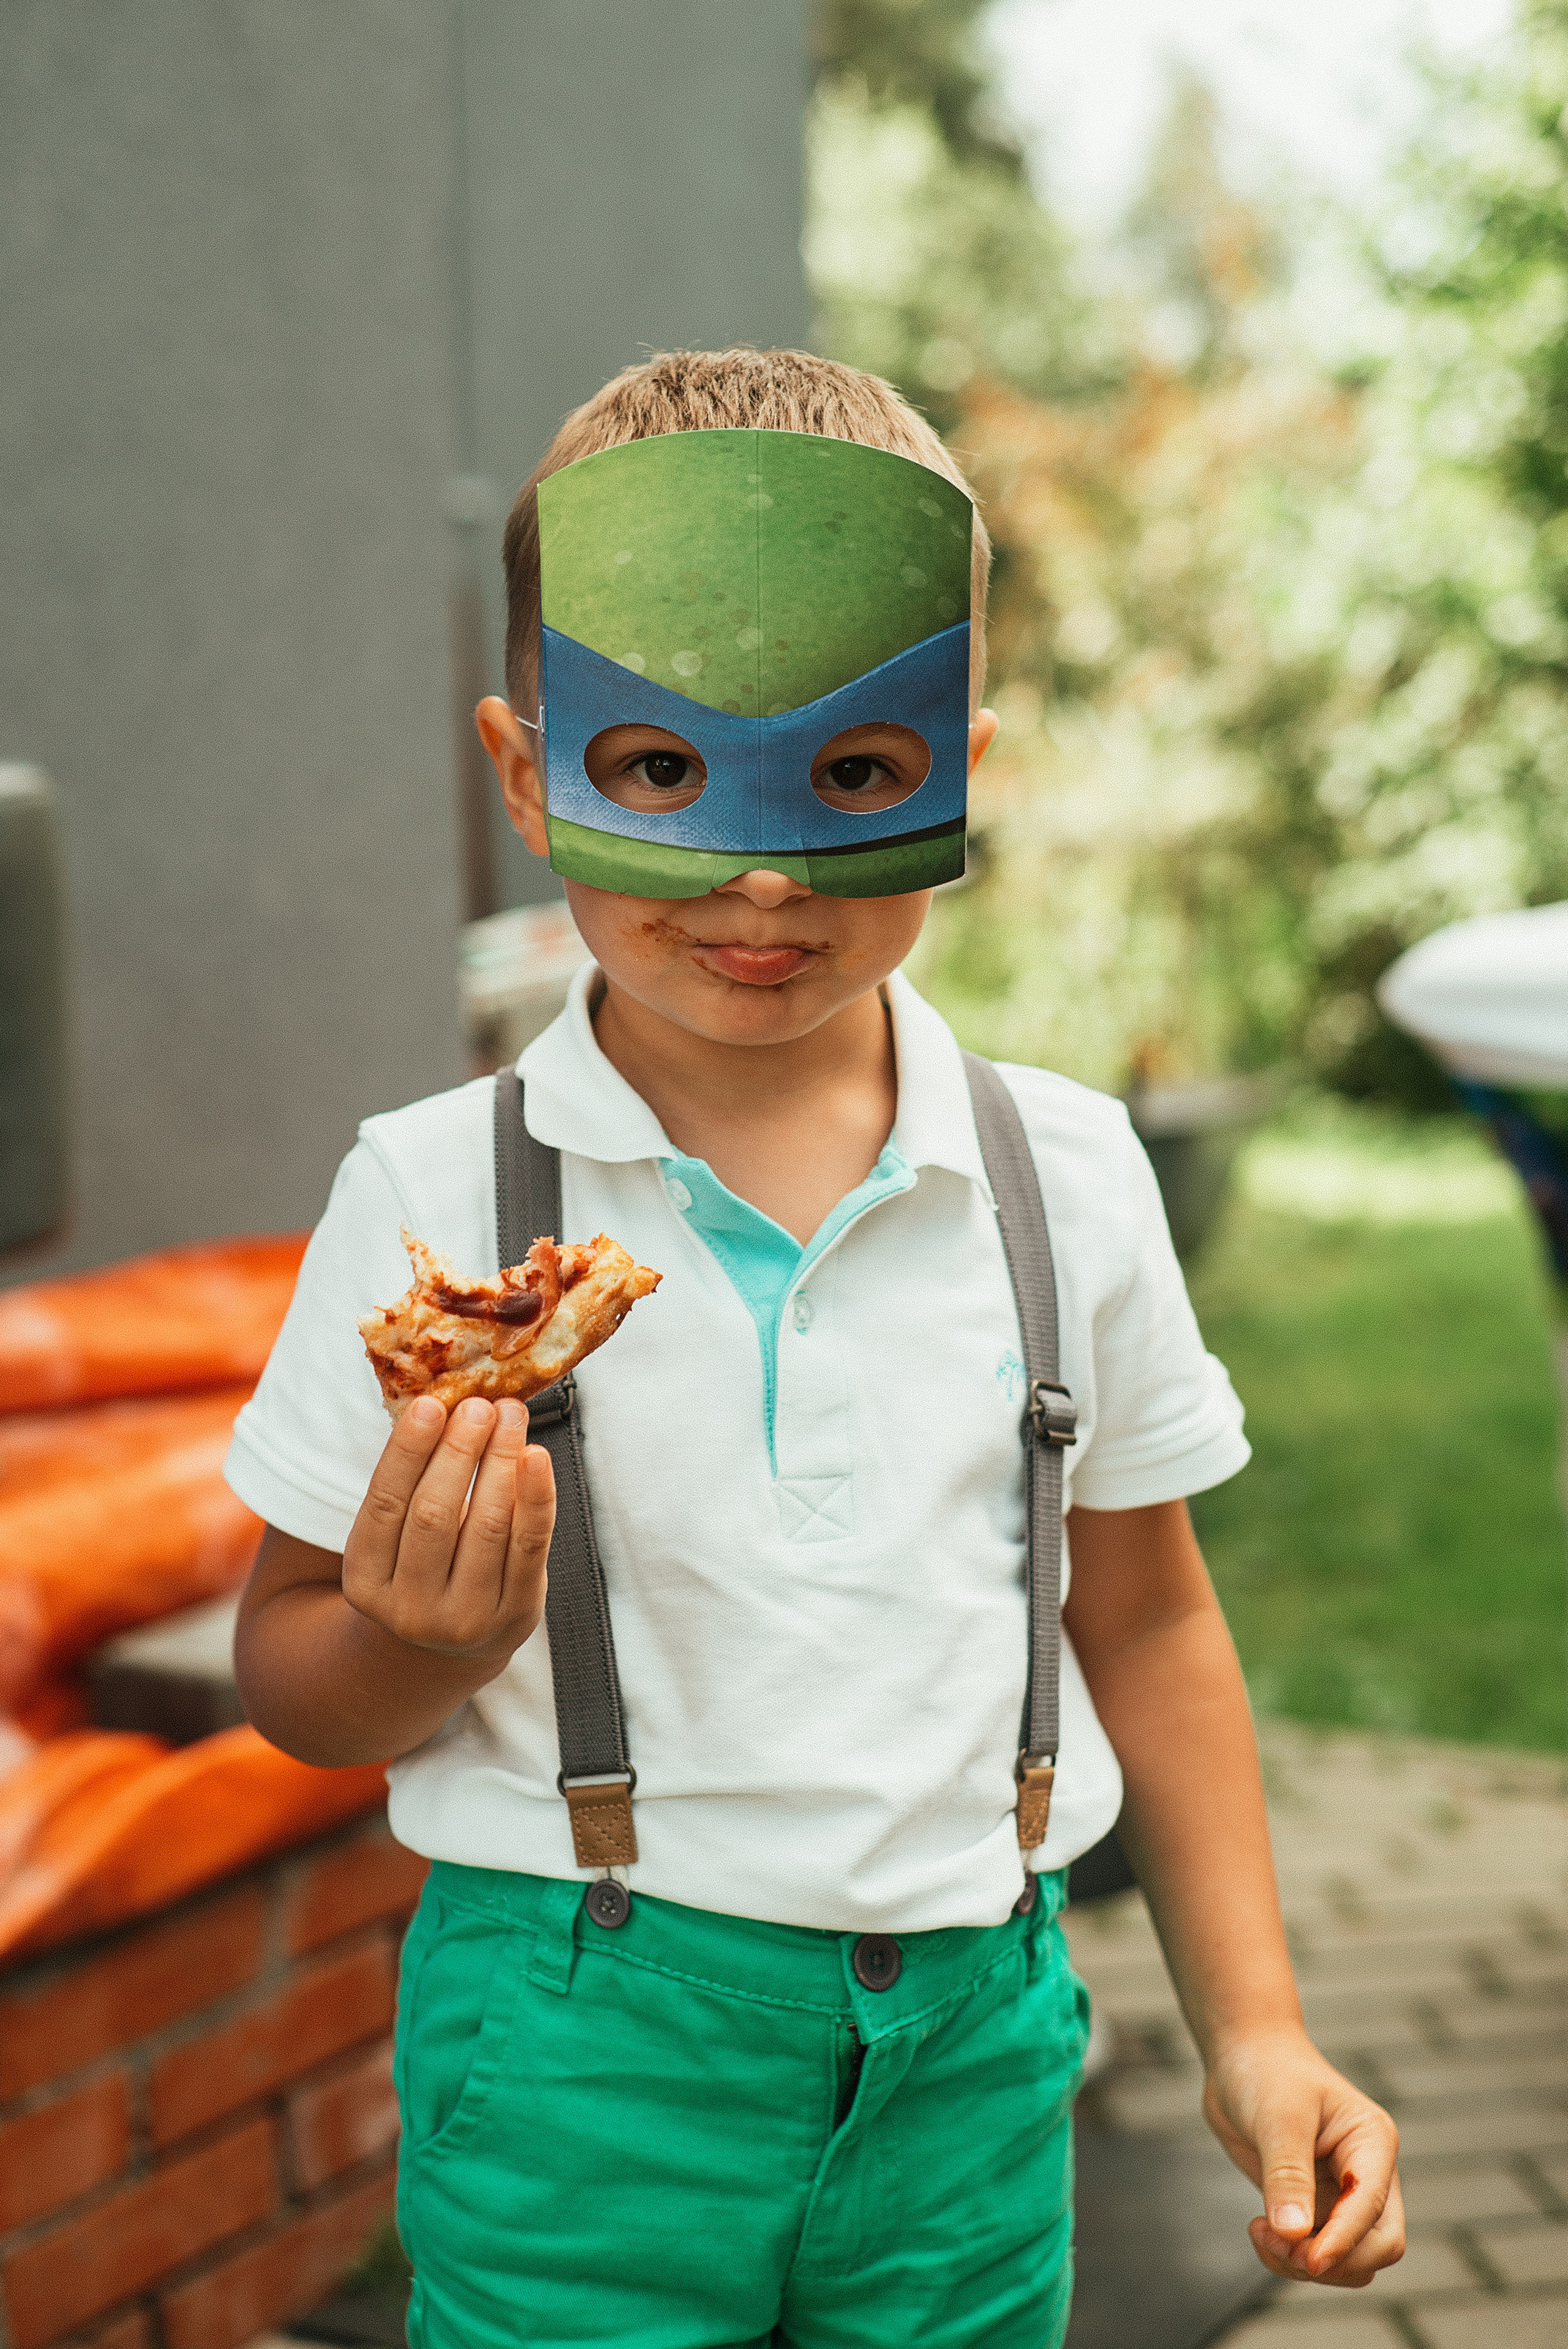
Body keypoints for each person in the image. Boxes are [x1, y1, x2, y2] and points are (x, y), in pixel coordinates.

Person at [229, 347, 1404, 2349]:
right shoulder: (435, 1198)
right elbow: (296, 1679)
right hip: (580, 2055)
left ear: (963, 761)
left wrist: (1261, 2028)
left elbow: (1144, 1619)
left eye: (855, 777)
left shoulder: (1070, 1177)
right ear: (527, 772)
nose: (764, 876)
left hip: (971, 2052)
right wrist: (418, 1642)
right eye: (661, 773)